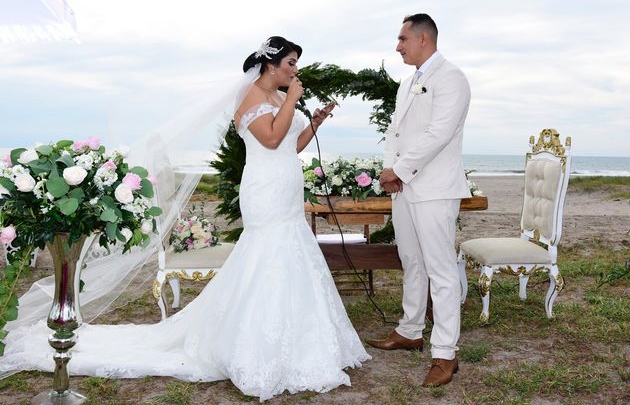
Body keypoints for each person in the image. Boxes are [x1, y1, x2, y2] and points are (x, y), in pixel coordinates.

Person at [0, 36, 370, 401]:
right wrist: (293, 101)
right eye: (291, 63)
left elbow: (292, 143)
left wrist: (315, 122)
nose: (296, 70)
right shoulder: (251, 97)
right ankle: (254, 344)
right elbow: (270, 140)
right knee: (268, 254)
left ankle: (301, 341)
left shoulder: (278, 96)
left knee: (290, 251)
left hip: (286, 184)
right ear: (272, 65)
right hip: (265, 189)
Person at [366, 14, 471, 387]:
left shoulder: (452, 78)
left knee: (441, 271)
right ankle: (410, 330)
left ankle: (445, 354)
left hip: (436, 189)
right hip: (406, 189)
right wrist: (389, 169)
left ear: (423, 39)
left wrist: (401, 170)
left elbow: (439, 133)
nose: (398, 46)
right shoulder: (409, 83)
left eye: (402, 38)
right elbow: (394, 131)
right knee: (411, 261)